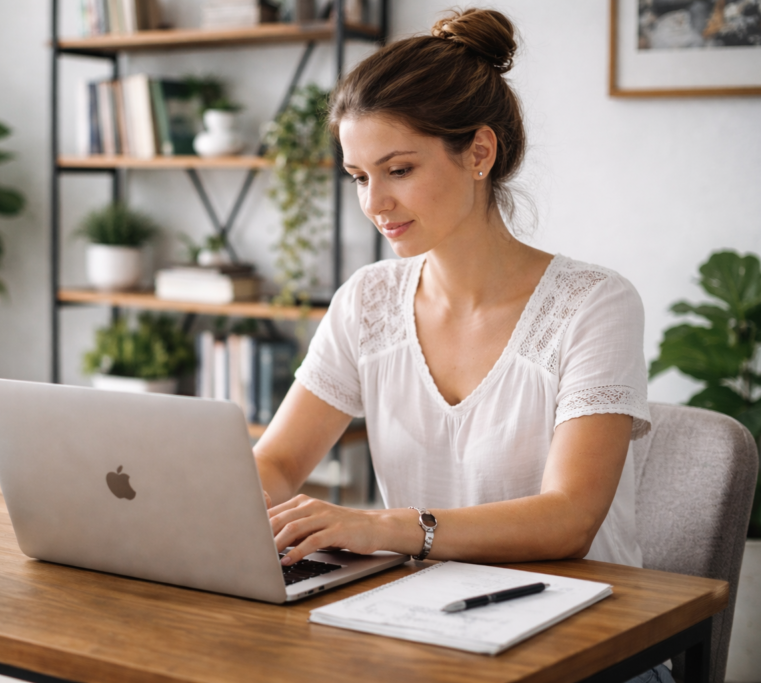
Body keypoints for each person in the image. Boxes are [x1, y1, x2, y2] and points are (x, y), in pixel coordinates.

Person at [255, 10, 668, 680]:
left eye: (398, 169)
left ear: (479, 152)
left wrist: (387, 527)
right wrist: (193, 514)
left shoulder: (595, 303)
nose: (374, 202)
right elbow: (277, 462)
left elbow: (569, 519)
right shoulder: (368, 300)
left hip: (588, 642)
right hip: (422, 631)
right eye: (359, 176)